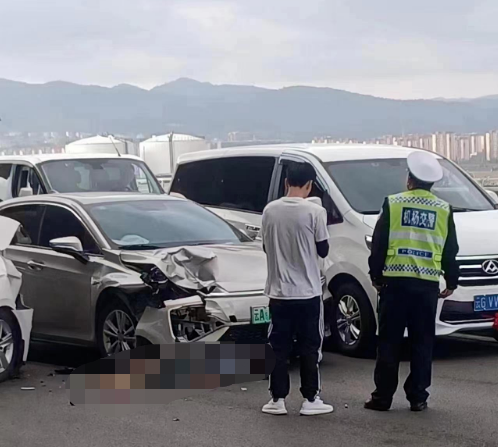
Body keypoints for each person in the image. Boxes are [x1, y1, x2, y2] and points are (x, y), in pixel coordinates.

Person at [365, 151, 459, 412]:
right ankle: (418, 397)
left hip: (394, 285)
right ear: (432, 184)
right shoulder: (443, 209)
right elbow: (450, 248)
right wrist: (451, 279)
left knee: (389, 342)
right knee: (422, 342)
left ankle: (382, 398)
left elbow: (379, 243)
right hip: (427, 286)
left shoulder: (393, 203)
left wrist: (376, 275)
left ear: (410, 180)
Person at [260, 162, 334, 416]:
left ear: (285, 182)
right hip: (308, 292)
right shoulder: (315, 212)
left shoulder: (270, 211)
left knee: (278, 347)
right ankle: (311, 399)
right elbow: (323, 249)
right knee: (310, 347)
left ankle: (277, 400)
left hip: (279, 292)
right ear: (310, 185)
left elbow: (266, 247)